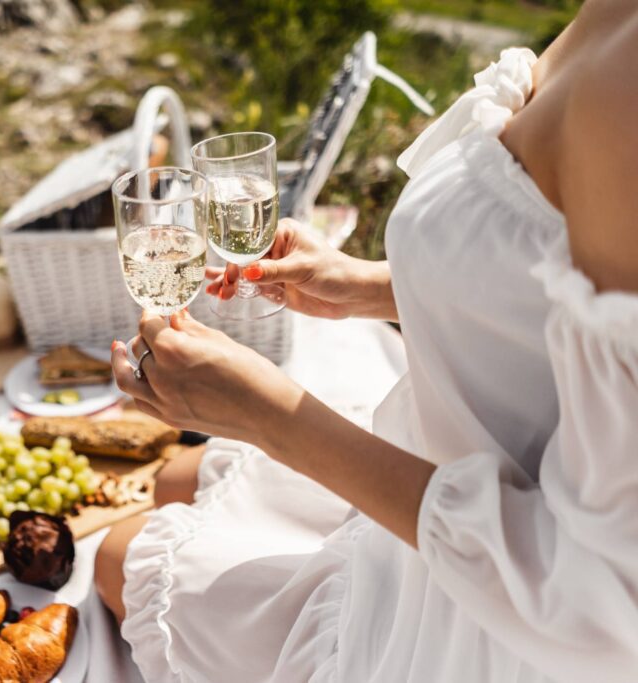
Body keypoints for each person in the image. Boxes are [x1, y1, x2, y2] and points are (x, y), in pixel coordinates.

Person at [94, 1, 638, 680]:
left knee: (119, 557)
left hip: (493, 599)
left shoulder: (627, 95)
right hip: (434, 463)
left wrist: (268, 415)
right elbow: (547, 260)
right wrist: (375, 285)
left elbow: (599, 603)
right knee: (171, 479)